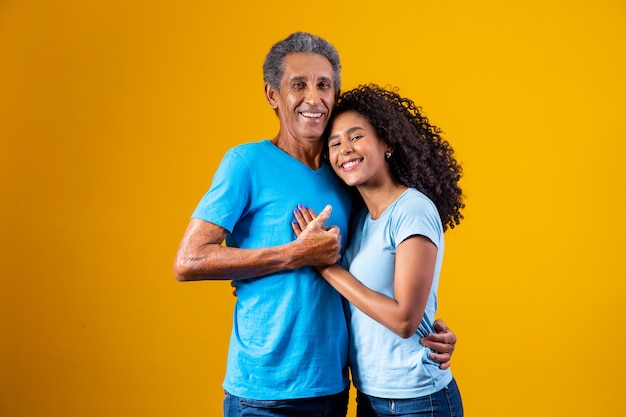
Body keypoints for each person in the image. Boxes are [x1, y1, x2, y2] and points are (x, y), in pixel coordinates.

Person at [173, 32, 457, 417]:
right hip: (264, 391)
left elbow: (386, 266)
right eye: (298, 85)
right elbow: (189, 261)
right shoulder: (245, 163)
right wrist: (295, 254)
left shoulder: (347, 177)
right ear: (273, 95)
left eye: (324, 85)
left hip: (337, 387)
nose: (313, 98)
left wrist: (429, 331)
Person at [292, 84, 465, 416]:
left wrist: (326, 267)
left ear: (387, 142)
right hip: (369, 396)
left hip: (418, 401)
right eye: (335, 143)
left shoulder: (412, 209)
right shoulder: (359, 220)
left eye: (356, 137)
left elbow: (404, 320)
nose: (345, 150)